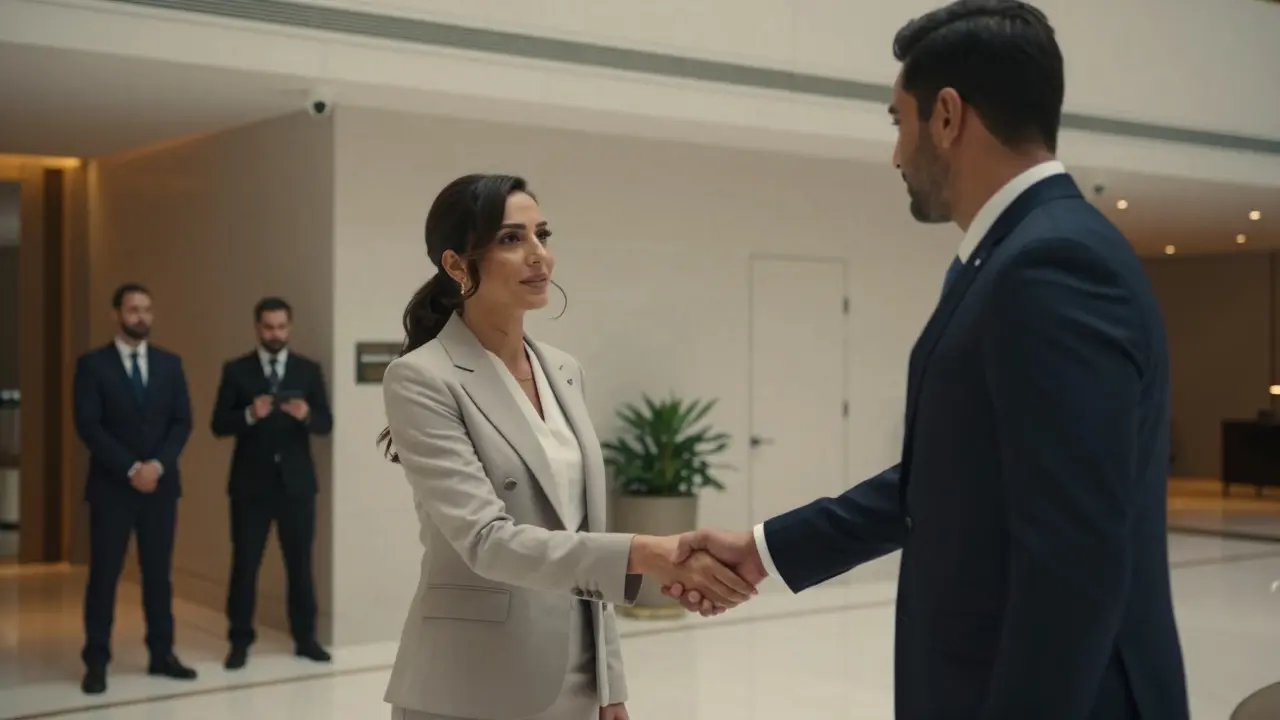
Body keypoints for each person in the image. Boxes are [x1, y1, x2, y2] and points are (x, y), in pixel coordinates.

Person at [664, 2, 1190, 718]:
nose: (895, 153)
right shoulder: (1008, 259)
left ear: (946, 116)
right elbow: (954, 476)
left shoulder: (1050, 266)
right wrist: (766, 549)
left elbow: (1073, 563)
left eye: (896, 121)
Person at [379, 173, 755, 720]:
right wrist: (649, 553)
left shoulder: (564, 370)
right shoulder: (420, 378)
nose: (540, 256)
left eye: (543, 235)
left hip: (577, 682)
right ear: (457, 265)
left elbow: (584, 534)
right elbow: (488, 542)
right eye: (511, 239)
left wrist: (611, 688)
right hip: (469, 684)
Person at [73, 283, 195, 694]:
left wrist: (157, 465)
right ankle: (96, 661)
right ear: (116, 314)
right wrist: (130, 468)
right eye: (132, 309)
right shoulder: (93, 365)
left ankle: (162, 655)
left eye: (146, 309)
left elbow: (182, 422)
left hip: (161, 487)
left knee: (158, 576)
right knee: (104, 576)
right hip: (112, 488)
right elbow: (88, 425)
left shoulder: (169, 363)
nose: (140, 316)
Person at [211, 296, 333, 669]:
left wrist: (306, 414)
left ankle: (305, 639)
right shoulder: (237, 371)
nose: (275, 334)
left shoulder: (308, 370)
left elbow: (326, 424)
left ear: (289, 326)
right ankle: (239, 641)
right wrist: (250, 413)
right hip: (250, 488)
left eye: (281, 327)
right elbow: (218, 424)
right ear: (257, 327)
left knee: (299, 565)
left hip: (297, 487)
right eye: (268, 327)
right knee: (245, 565)